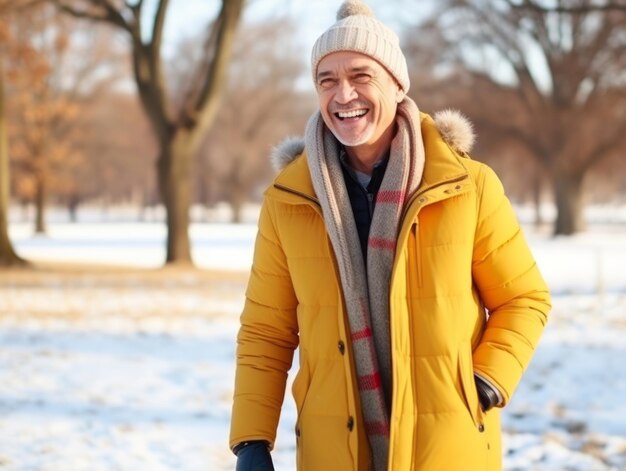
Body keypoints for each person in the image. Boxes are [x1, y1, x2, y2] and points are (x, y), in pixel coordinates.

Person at [229, 1, 551, 470]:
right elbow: (266, 331)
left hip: (445, 445)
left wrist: (482, 381)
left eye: (361, 76)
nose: (344, 95)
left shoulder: (466, 186)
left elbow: (525, 298)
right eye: (327, 80)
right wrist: (251, 439)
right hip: (333, 449)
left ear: (397, 85)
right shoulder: (288, 201)